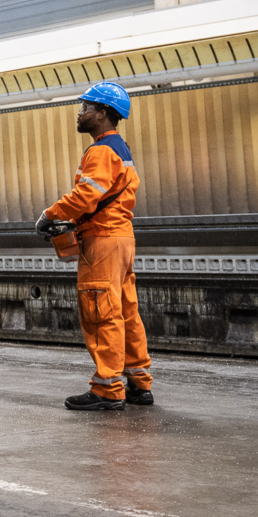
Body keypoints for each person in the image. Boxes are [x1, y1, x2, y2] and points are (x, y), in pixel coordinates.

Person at [36, 81, 153, 412]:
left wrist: (50, 215)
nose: (81, 113)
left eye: (86, 108)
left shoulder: (101, 150)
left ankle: (108, 388)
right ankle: (139, 383)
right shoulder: (121, 149)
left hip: (102, 241)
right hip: (122, 238)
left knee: (100, 313)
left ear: (102, 114)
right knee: (126, 311)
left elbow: (87, 196)